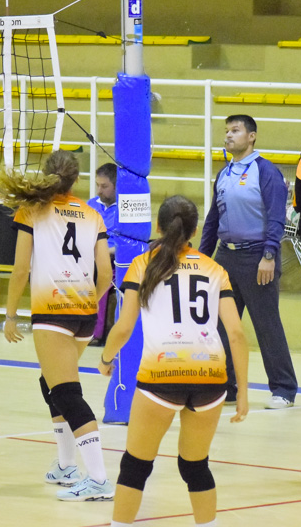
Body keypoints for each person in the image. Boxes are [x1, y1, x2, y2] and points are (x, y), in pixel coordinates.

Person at [99, 195, 249, 527]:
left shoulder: (143, 265)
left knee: (136, 465)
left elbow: (123, 327)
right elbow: (236, 334)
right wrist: (245, 393)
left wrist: (106, 358)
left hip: (161, 376)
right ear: (194, 230)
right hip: (211, 379)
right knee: (195, 466)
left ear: (158, 226)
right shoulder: (214, 269)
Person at [0, 150, 116, 501]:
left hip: (52, 312)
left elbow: (20, 269)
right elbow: (106, 274)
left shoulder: (31, 210)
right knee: (51, 382)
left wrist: (10, 315)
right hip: (85, 313)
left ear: (45, 177)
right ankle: (65, 466)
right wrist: (88, 302)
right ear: (76, 180)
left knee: (65, 392)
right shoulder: (92, 214)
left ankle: (98, 478)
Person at [198, 114, 298, 410]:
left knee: (266, 325)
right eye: (227, 131)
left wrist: (269, 255)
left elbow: (278, 217)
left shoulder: (266, 172)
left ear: (252, 136)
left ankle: (284, 389)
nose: (228, 136)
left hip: (258, 257)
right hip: (225, 257)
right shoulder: (225, 174)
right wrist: (203, 258)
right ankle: (224, 387)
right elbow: (212, 220)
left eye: (236, 130)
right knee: (219, 325)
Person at [87, 162, 119, 345]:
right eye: (98, 185)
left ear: (116, 186)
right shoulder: (91, 205)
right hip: (90, 258)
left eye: (104, 186)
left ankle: (95, 333)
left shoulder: (125, 209)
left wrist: (104, 252)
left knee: (102, 275)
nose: (99, 190)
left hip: (114, 260)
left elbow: (127, 244)